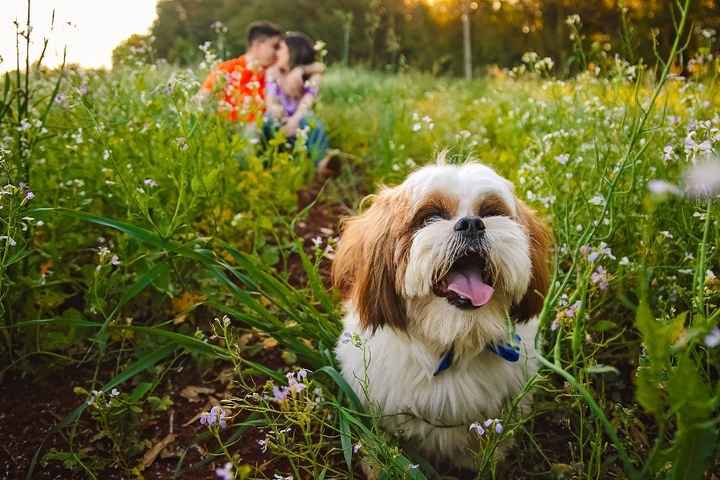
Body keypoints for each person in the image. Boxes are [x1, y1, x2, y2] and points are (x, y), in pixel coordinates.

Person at [264, 32, 339, 176]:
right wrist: (278, 112)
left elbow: (307, 103)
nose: (277, 53)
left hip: (300, 118)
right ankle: (268, 162)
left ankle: (322, 165)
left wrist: (294, 121)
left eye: (281, 49)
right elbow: (270, 101)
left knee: (314, 123)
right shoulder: (272, 72)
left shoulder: (312, 76)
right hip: (280, 118)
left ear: (293, 52)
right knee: (268, 118)